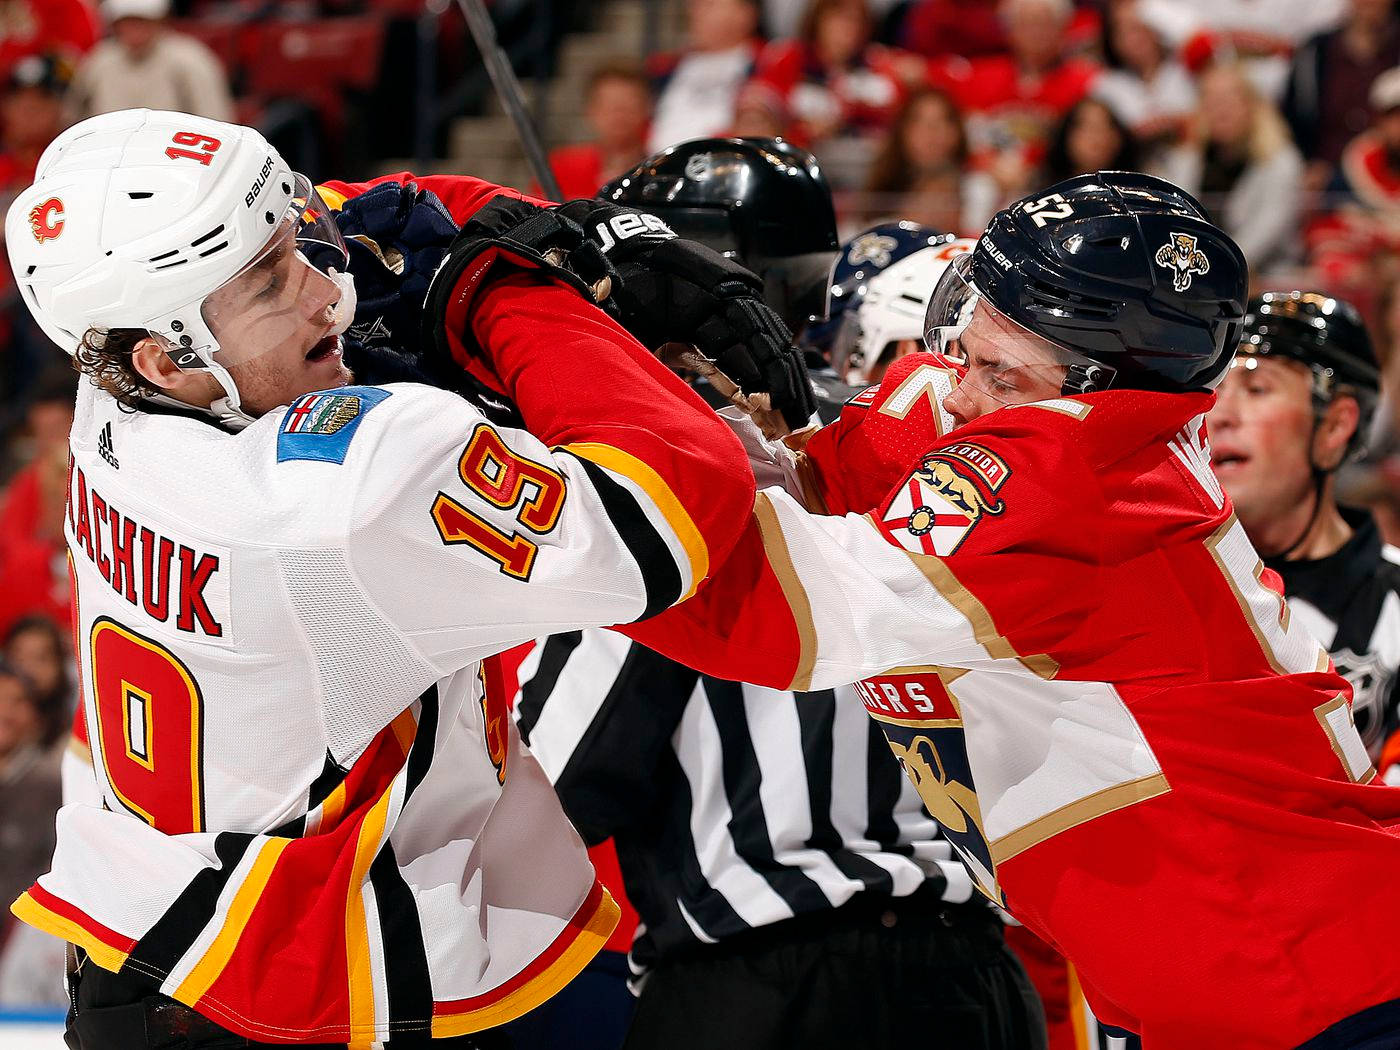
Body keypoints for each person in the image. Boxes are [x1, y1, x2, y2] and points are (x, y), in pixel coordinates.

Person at [4, 107, 777, 1049]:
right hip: (282, 985)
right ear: (166, 355)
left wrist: (518, 229)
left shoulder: (114, 374)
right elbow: (674, 510)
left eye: (297, 249)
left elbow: (370, 209)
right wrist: (512, 291)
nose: (328, 295)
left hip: (154, 953)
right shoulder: (342, 494)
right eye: (272, 284)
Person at [620, 170, 1400, 1047]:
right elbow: (813, 475)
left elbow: (757, 605)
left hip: (1306, 990)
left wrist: (567, 384)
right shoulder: (1043, 429)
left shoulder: (1073, 472)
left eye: (995, 368)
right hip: (1232, 985)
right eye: (964, 347)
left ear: (1094, 388)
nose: (956, 390)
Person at [517, 192, 1045, 1050]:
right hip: (975, 975)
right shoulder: (1004, 499)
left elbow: (572, 780)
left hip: (763, 978)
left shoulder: (687, 486)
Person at [1208, 291, 1400, 781]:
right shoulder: (1148, 581)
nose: (1219, 416)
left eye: (1255, 389)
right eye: (1213, 389)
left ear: (1336, 425)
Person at [1156, 60, 1305, 271]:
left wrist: (1216, 268)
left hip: (1266, 277)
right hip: (1195, 277)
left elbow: (1266, 234)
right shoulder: (1186, 160)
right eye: (1211, 101)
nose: (1220, 110)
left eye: (1230, 100)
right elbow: (1170, 222)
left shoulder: (1281, 162)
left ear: (1251, 105)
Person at [1283, 0, 1400, 191]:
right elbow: (1292, 116)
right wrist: (1307, 163)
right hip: (1325, 178)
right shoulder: (1315, 51)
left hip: (1390, 176)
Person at [861, 88, 1001, 236]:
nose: (932, 132)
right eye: (919, 121)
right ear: (902, 131)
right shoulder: (877, 201)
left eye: (943, 121)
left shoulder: (980, 189)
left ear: (957, 131)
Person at [67, 0, 232, 122]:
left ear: (159, 20)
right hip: (110, 157)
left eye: (141, 21)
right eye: (127, 21)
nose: (133, 29)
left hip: (175, 159)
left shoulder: (189, 59)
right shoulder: (99, 61)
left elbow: (216, 121)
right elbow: (73, 118)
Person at [646, 0, 763, 153]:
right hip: (655, 165)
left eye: (709, 4)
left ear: (745, 13)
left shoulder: (768, 63)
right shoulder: (665, 68)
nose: (695, 11)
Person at [545, 60, 654, 201]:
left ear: (647, 109)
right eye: (609, 106)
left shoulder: (662, 174)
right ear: (590, 110)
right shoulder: (559, 170)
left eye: (628, 105)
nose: (619, 115)